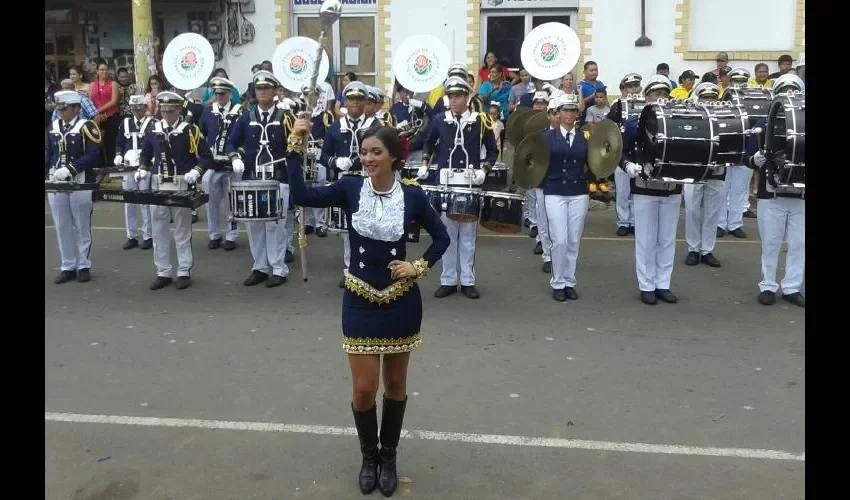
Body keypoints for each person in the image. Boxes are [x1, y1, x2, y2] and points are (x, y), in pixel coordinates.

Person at [285, 119, 450, 497]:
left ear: (394, 157)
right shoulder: (349, 187)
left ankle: (389, 456)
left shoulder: (412, 195)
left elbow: (442, 237)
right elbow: (301, 196)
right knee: (364, 389)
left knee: (394, 385)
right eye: (364, 152)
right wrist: (296, 145)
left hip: (401, 302)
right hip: (359, 298)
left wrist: (418, 267)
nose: (368, 158)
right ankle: (368, 456)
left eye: (376, 152)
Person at [420, 76, 498, 299]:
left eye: (457, 96)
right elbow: (428, 142)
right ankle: (448, 279)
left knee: (467, 236)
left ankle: (467, 280)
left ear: (467, 97)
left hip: (470, 183)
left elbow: (492, 150)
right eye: (450, 96)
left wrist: (485, 169)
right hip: (445, 183)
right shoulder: (439, 120)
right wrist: (425, 163)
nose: (453, 100)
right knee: (446, 234)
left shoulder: (480, 120)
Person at [137, 91, 213, 290]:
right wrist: (143, 169)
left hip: (181, 183)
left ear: (179, 110)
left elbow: (206, 156)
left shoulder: (190, 130)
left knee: (182, 231)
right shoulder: (154, 129)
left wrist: (196, 172)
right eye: (163, 111)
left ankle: (184, 270)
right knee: (159, 230)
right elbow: (145, 154)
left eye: (170, 111)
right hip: (158, 183)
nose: (166, 115)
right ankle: (163, 271)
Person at [226, 71, 294, 288]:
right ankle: (260, 267)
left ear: (275, 92)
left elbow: (296, 146)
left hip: (277, 178)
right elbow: (231, 143)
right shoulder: (246, 116)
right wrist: (235, 157)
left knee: (275, 225)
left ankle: (278, 268)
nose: (262, 92)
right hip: (252, 178)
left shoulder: (285, 117)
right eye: (259, 89)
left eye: (266, 89)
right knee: (254, 224)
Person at [619, 75, 681, 305]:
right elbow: (621, 153)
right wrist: (628, 166)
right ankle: (646, 285)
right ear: (647, 97)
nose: (661, 97)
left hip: (671, 188)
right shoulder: (635, 124)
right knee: (645, 238)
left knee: (666, 239)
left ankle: (663, 284)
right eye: (656, 93)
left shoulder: (676, 122)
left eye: (665, 93)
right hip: (644, 188)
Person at [746, 74, 805, 307]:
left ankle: (792, 287)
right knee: (771, 242)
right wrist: (757, 159)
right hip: (771, 193)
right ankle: (768, 285)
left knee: (799, 243)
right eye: (784, 91)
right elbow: (746, 158)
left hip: (800, 194)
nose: (789, 95)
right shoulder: (763, 125)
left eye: (794, 90)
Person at [321, 81, 386, 288]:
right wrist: (335, 162)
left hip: (369, 181)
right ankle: (351, 270)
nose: (355, 103)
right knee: (348, 232)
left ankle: (371, 270)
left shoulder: (376, 127)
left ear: (366, 102)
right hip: (345, 183)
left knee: (371, 229)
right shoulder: (335, 126)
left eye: (359, 99)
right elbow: (323, 156)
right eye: (351, 99)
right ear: (345, 102)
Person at [46, 90, 102, 284]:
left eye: (65, 108)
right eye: (59, 109)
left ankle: (84, 264)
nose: (62, 112)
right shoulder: (54, 126)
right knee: (62, 225)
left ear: (76, 108)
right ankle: (67, 265)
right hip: (56, 179)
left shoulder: (86, 126)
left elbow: (94, 155)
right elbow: (51, 153)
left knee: (81, 225)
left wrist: (71, 168)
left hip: (79, 180)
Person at [540, 94, 591, 301]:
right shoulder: (546, 137)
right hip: (554, 191)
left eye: (572, 110)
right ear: (558, 113)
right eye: (565, 110)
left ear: (577, 114)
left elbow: (594, 163)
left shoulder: (585, 137)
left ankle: (569, 281)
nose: (569, 114)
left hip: (578, 191)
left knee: (573, 240)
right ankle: (558, 281)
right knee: (559, 239)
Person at [683, 82, 726, 268]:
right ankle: (693, 249)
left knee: (712, 212)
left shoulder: (725, 119)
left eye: (712, 98)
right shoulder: (690, 118)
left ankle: (707, 249)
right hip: (693, 169)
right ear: (698, 100)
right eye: (705, 98)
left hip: (717, 171)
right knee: (691, 210)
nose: (709, 102)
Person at [200, 77, 244, 251]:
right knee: (210, 199)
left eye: (222, 93)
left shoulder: (240, 112)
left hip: (232, 161)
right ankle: (214, 234)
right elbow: (202, 134)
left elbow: (245, 137)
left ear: (230, 94)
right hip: (213, 161)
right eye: (216, 93)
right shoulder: (208, 111)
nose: (219, 97)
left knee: (232, 201)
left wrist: (238, 156)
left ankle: (232, 235)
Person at [114, 94, 154, 250]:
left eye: (140, 108)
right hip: (129, 166)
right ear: (130, 109)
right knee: (129, 202)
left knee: (145, 201)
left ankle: (148, 235)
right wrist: (118, 155)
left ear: (145, 108)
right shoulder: (125, 123)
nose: (137, 111)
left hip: (145, 166)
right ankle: (131, 236)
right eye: (134, 109)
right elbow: (119, 142)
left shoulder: (152, 123)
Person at [608, 73, 643, 236]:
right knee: (622, 190)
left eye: (636, 86)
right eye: (630, 87)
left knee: (637, 190)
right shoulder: (617, 104)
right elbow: (609, 126)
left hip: (640, 153)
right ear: (623, 89)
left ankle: (636, 221)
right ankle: (623, 221)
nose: (634, 89)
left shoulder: (645, 103)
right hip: (622, 152)